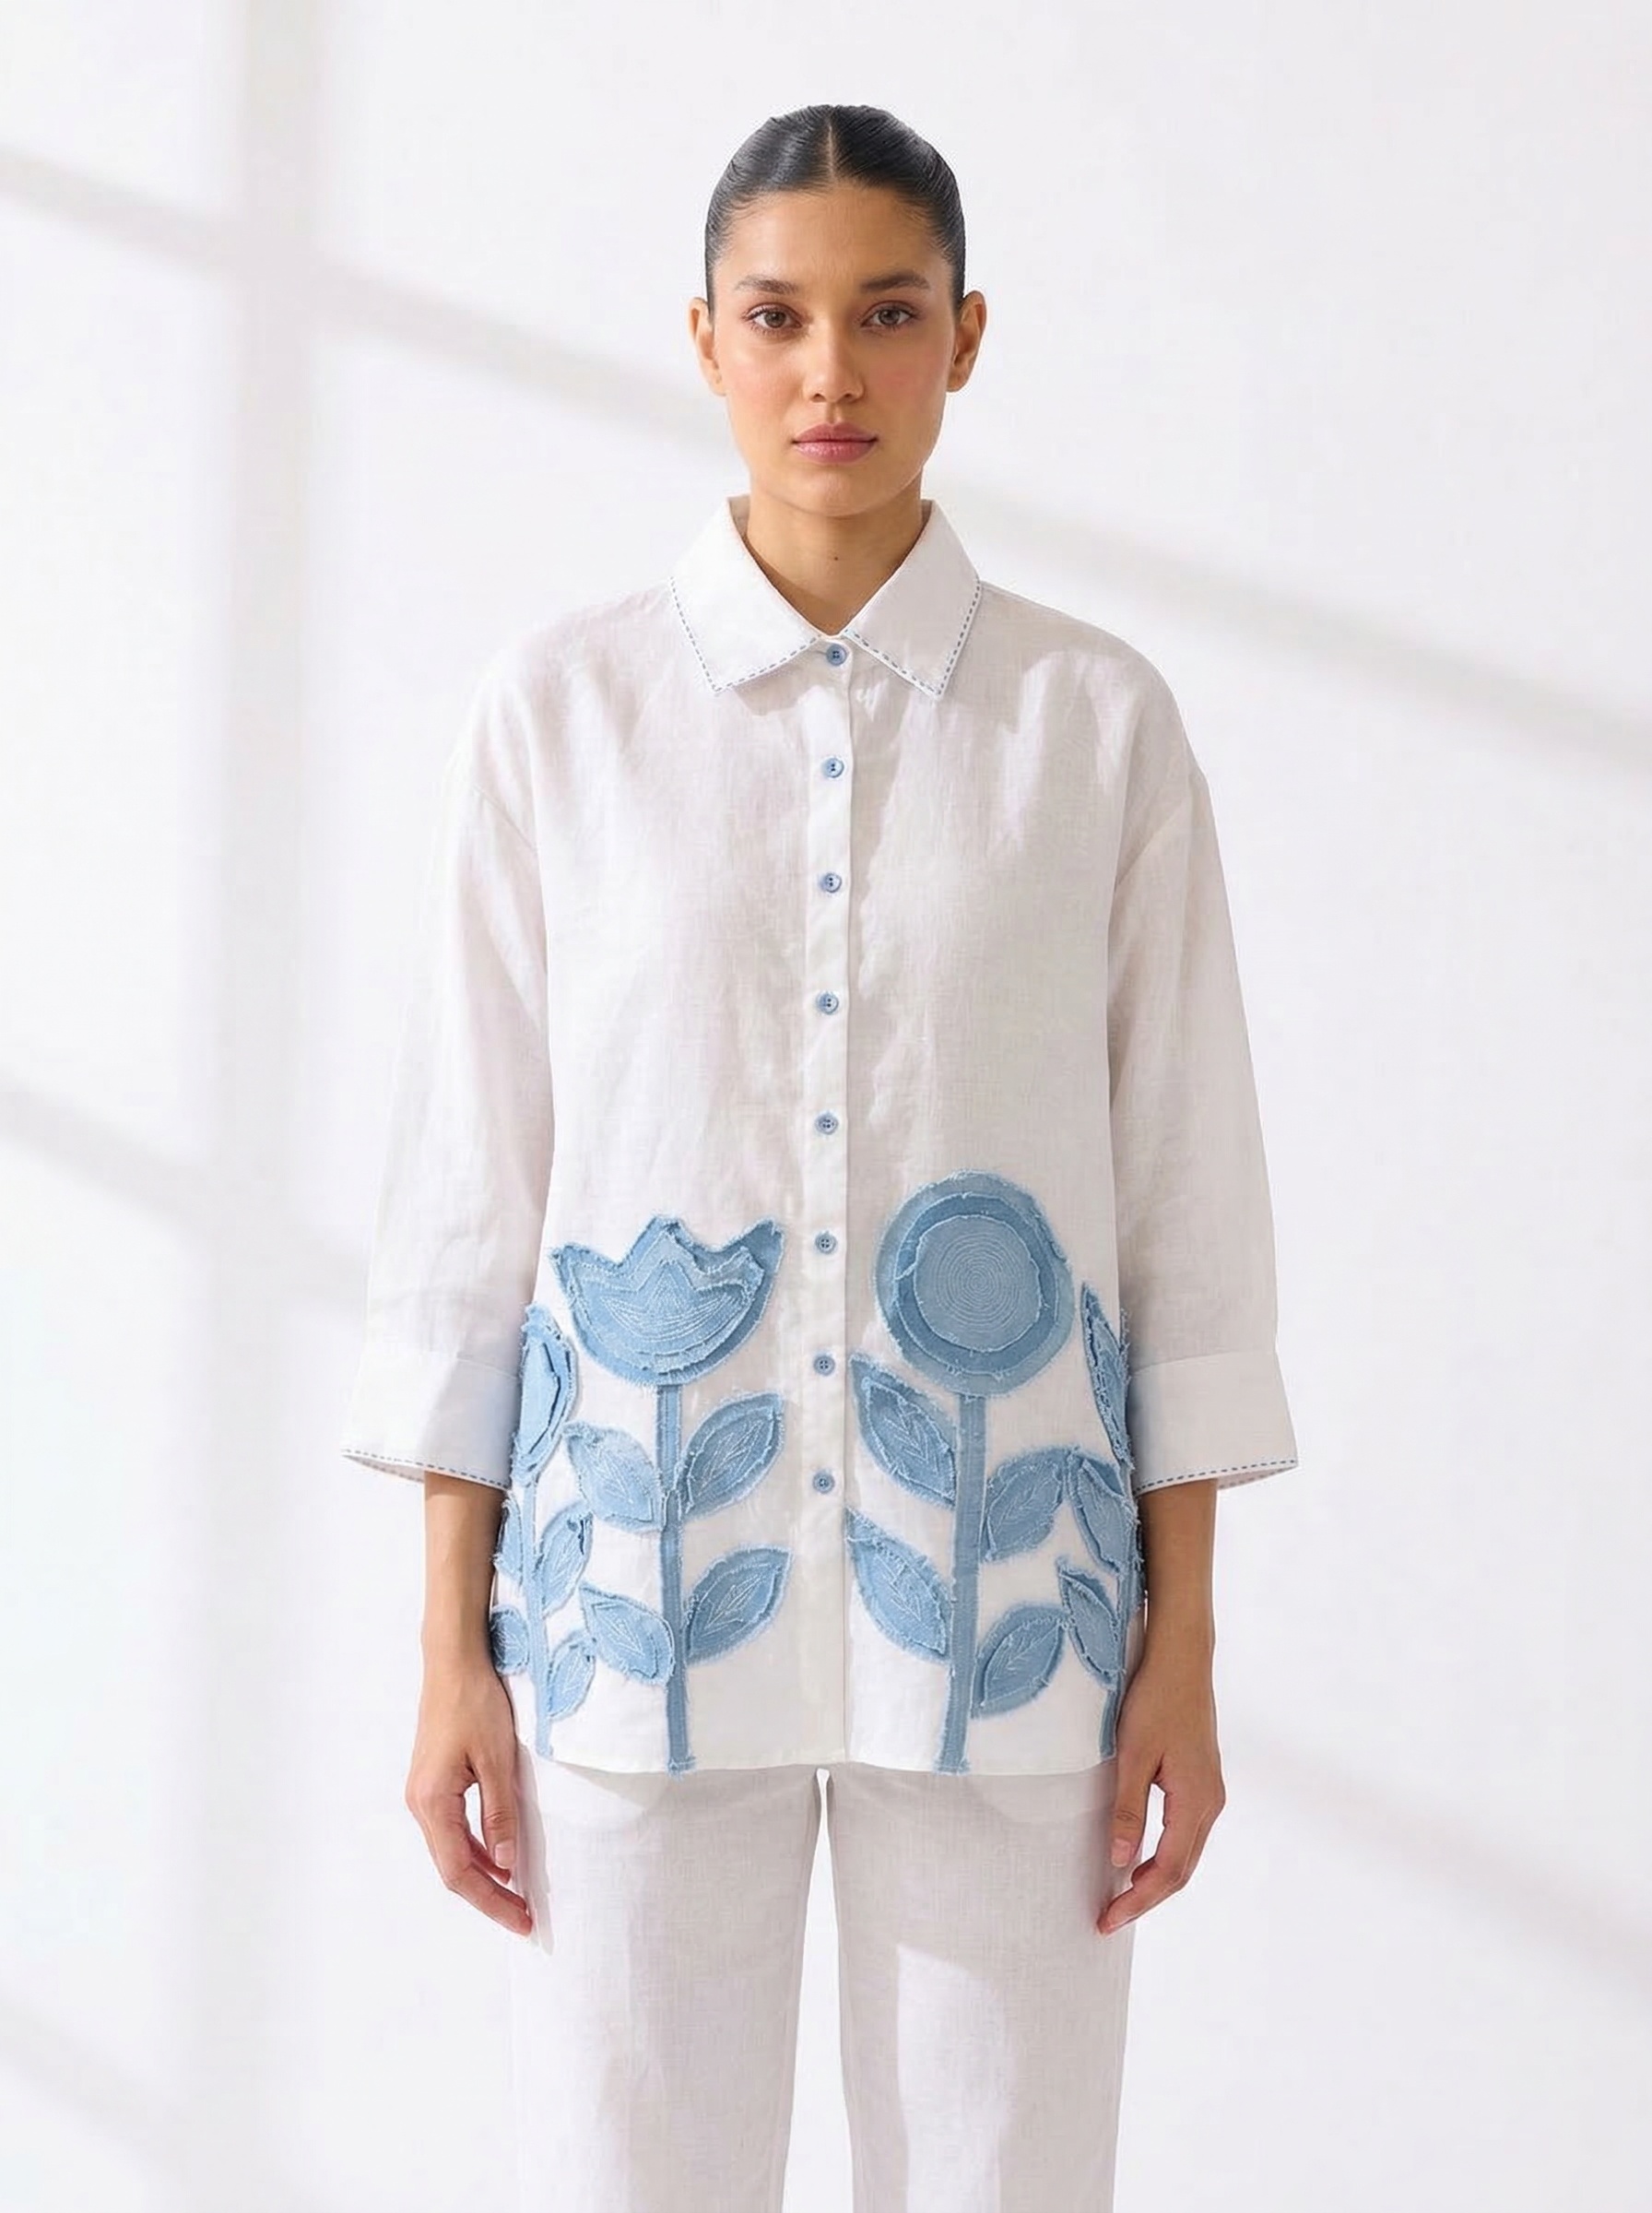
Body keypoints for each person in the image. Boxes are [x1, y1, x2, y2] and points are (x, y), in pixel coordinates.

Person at [340, 101, 1299, 2213]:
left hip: (1014, 1628)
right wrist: (444, 1651)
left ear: (966, 336)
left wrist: (1186, 1647)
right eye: (774, 318)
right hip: (626, 1614)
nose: (828, 372)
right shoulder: (558, 718)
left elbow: (1182, 1208)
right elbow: (470, 1206)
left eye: (884, 315)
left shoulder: (1094, 728)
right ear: (702, 338)